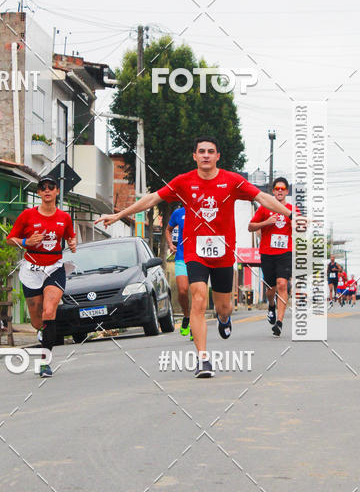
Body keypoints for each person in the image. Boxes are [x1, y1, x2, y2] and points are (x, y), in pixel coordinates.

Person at [96, 136, 299, 379]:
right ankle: (203, 359)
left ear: (217, 156)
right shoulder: (184, 182)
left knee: (225, 307)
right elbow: (152, 198)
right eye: (201, 151)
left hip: (223, 252)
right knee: (199, 298)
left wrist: (289, 215)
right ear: (194, 156)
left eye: (210, 151)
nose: (205, 155)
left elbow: (262, 197)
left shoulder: (232, 181)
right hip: (195, 251)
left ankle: (224, 319)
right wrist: (119, 216)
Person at [7, 175, 76, 377]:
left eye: (51, 186)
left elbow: (70, 237)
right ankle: (42, 331)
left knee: (49, 311)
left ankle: (45, 362)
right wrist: (26, 241)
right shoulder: (27, 215)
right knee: (38, 320)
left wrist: (72, 244)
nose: (47, 190)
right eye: (42, 187)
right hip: (32, 268)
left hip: (55, 266)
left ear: (56, 192)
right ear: (38, 193)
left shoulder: (64, 217)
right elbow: (10, 239)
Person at [248, 176, 300, 337]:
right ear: (273, 191)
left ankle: (279, 321)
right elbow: (251, 227)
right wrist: (267, 222)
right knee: (271, 288)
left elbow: (301, 228)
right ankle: (271, 305)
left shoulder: (292, 210)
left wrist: (297, 224)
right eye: (276, 188)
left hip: (285, 252)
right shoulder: (264, 208)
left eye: (282, 189)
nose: (279, 191)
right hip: (267, 252)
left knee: (282, 284)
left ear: (287, 191)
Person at [165, 204, 191, 338]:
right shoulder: (178, 213)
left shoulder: (203, 211)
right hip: (181, 257)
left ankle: (196, 325)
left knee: (199, 292)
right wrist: (170, 244)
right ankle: (187, 316)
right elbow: (168, 230)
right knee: (182, 290)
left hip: (200, 258)